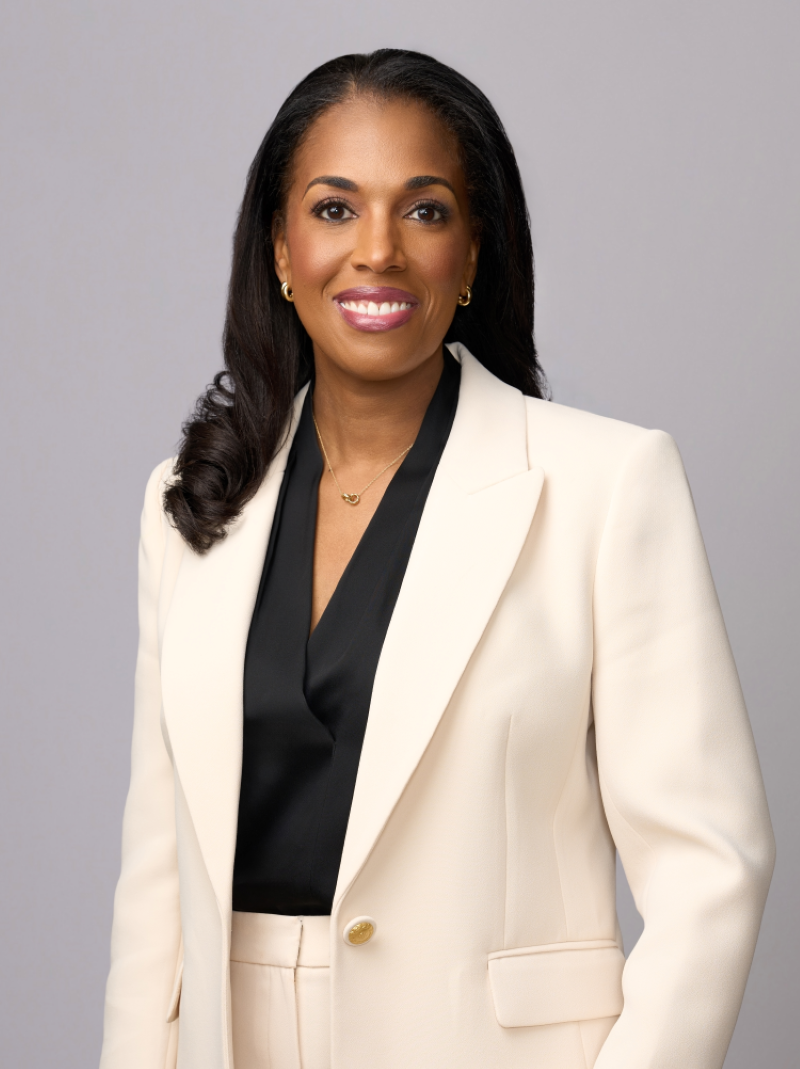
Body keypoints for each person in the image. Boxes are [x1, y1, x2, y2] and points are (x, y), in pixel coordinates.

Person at [99, 49, 774, 1069]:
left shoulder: (604, 483)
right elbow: (156, 877)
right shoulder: (187, 504)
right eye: (333, 209)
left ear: (473, 254)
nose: (376, 250)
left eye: (423, 211)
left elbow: (709, 870)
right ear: (279, 251)